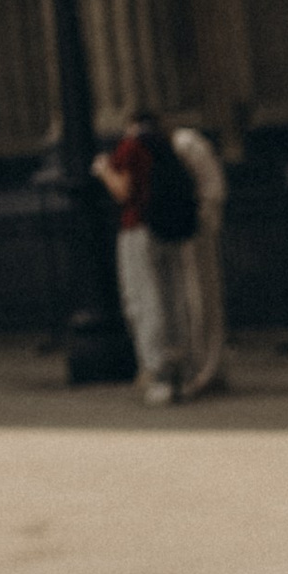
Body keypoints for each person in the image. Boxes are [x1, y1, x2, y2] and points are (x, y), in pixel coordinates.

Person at [93, 109, 187, 404]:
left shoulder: (131, 147)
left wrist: (103, 170)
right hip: (167, 229)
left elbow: (124, 191)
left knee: (144, 302)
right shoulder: (163, 145)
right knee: (169, 298)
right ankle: (177, 367)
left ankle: (157, 374)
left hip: (137, 228)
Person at [165, 120, 231, 397]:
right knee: (190, 301)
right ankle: (198, 366)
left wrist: (202, 219)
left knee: (201, 298)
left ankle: (208, 367)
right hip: (185, 229)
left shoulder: (185, 143)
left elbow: (212, 189)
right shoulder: (179, 144)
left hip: (194, 229)